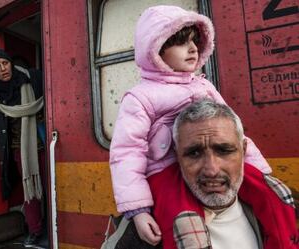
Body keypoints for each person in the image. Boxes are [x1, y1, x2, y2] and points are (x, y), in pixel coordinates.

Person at [109, 5, 290, 247]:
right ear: (155, 51)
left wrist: (257, 170)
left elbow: (234, 132)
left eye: (195, 41)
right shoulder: (140, 97)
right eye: (181, 43)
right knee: (182, 221)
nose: (193, 48)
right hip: (164, 172)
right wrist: (138, 209)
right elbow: (126, 152)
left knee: (274, 194)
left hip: (202, 163)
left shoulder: (204, 86)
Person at [147, 99, 297, 248]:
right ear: (177, 156)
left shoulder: (273, 212)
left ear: (243, 151)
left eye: (224, 151)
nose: (212, 170)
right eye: (194, 153)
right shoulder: (145, 229)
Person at [0, 48, 44, 246]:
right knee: (30, 190)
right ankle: (36, 230)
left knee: (53, 184)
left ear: (11, 62)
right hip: (18, 148)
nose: (3, 69)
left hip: (44, 143)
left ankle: (60, 227)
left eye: (5, 63)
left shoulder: (33, 78)